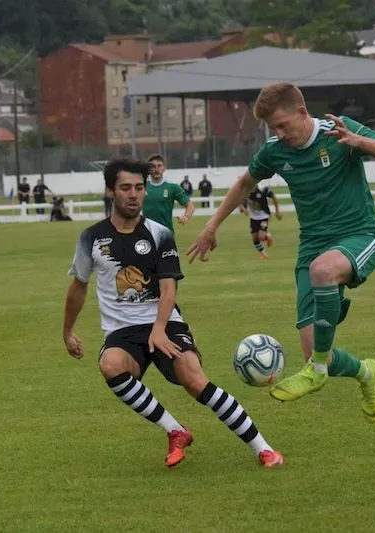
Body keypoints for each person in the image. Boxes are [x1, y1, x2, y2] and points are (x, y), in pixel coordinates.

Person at [186, 82, 375, 423]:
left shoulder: (338, 131)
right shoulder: (275, 151)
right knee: (318, 351)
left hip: (358, 236)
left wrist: (359, 141)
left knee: (322, 275)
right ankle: (365, 372)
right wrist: (212, 225)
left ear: (302, 112)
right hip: (312, 248)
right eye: (272, 128)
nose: (278, 133)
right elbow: (245, 183)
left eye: (282, 125)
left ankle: (316, 370)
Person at [63, 157, 283, 469]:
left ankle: (263, 448)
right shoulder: (91, 238)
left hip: (165, 323)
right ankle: (176, 431)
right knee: (110, 364)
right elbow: (78, 287)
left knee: (194, 380)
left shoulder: (159, 233)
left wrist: (159, 328)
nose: (134, 194)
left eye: (139, 188)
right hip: (122, 332)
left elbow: (168, 289)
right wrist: (67, 332)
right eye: (125, 188)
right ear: (111, 191)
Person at [144, 154, 194, 235]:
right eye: (153, 166)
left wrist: (186, 217)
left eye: (159, 166)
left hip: (166, 234)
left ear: (164, 168)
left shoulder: (172, 186)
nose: (156, 169)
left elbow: (190, 205)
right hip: (146, 234)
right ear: (149, 169)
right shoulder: (142, 186)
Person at [238, 184, 282, 259]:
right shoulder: (245, 191)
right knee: (255, 238)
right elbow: (238, 201)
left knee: (261, 236)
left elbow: (274, 198)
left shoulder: (263, 189)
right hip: (253, 218)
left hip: (264, 216)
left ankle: (267, 236)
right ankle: (263, 254)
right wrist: (243, 208)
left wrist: (277, 212)